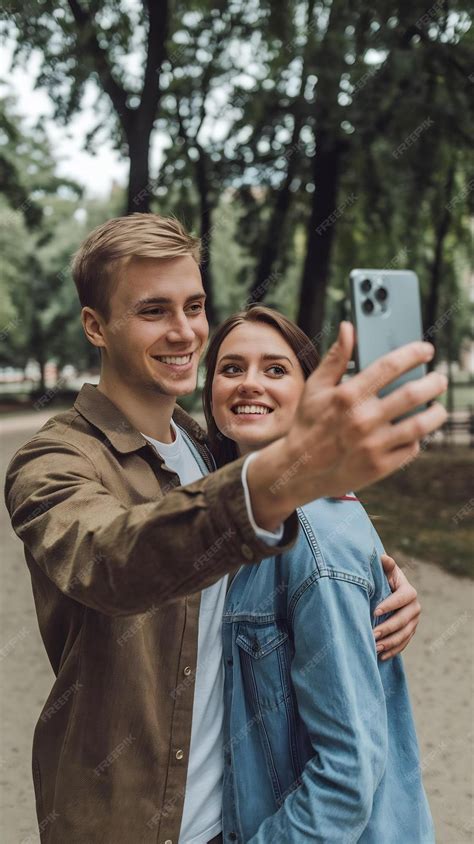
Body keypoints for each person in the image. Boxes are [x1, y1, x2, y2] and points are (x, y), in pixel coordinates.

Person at [4, 214, 446, 844]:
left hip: (235, 822)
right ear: (95, 326)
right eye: (153, 310)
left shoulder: (206, 448)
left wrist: (372, 582)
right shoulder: (53, 462)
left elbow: (286, 546)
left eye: (194, 306)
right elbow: (111, 559)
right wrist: (278, 481)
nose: (184, 331)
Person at [202, 305, 435, 843]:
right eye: (231, 368)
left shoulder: (310, 537)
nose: (249, 383)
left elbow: (347, 774)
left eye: (275, 369)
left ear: (311, 393)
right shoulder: (229, 510)